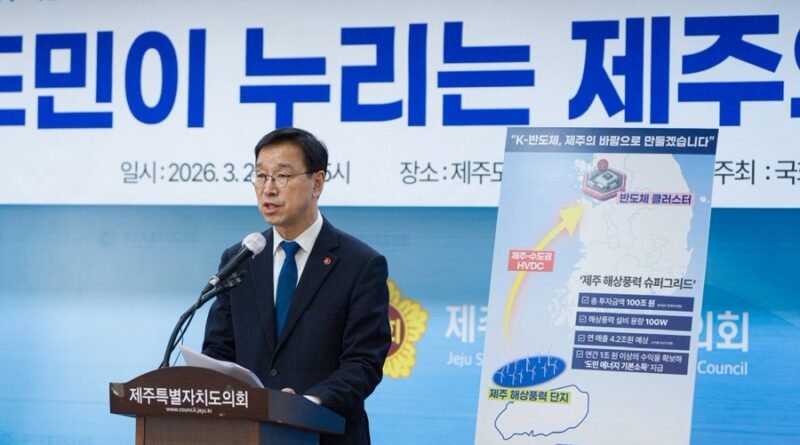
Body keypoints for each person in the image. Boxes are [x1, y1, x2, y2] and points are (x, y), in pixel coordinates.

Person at [203, 127, 391, 445]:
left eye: (282, 176)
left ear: (317, 183)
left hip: (326, 436)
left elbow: (363, 363)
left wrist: (306, 403)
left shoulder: (360, 264)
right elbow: (218, 351)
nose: (268, 189)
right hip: (247, 435)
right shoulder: (239, 259)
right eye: (261, 176)